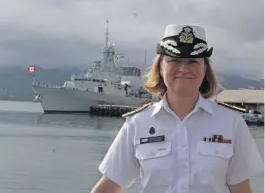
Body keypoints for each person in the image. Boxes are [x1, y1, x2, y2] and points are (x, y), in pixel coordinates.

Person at [90, 24, 264, 193]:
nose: (183, 69)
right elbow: (110, 186)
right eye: (174, 60)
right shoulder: (138, 124)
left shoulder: (231, 123)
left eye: (192, 61)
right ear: (160, 67)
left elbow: (241, 189)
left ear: (205, 69)